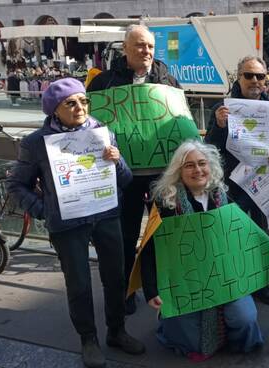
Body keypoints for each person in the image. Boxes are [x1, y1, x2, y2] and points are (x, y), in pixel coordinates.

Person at [6, 78, 145, 368]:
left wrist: (117, 161)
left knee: (116, 277)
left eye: (83, 101)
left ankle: (117, 331)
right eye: (71, 102)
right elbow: (17, 186)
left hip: (106, 215)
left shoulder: (101, 133)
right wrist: (46, 210)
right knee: (79, 283)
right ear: (54, 109)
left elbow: (127, 179)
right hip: (68, 224)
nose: (80, 107)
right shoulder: (35, 143)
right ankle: (89, 340)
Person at [87, 24, 183, 315]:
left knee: (163, 233)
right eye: (140, 45)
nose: (147, 51)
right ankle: (127, 290)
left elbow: (180, 121)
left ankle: (160, 287)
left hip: (161, 173)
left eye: (151, 47)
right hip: (123, 176)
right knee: (125, 236)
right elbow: (89, 125)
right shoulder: (104, 83)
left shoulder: (168, 80)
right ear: (125, 48)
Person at [140, 140, 264, 362]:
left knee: (245, 319)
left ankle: (230, 337)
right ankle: (170, 324)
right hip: (185, 281)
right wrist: (151, 290)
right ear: (179, 171)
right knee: (190, 340)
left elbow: (244, 233)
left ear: (211, 166)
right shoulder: (166, 203)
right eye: (189, 165)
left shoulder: (223, 197)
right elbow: (149, 250)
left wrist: (268, 249)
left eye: (202, 163)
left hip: (225, 277)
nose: (197, 170)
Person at [204, 56, 269, 305]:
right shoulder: (222, 109)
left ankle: (263, 283)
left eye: (259, 76)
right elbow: (210, 147)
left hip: (262, 183)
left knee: (263, 236)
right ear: (238, 77)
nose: (254, 81)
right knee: (234, 236)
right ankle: (239, 284)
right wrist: (219, 125)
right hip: (233, 185)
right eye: (248, 75)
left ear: (265, 80)